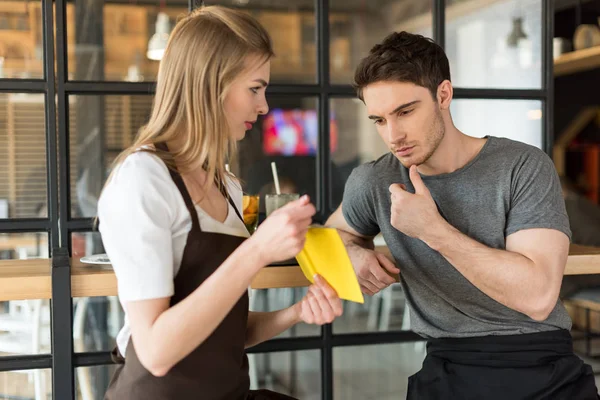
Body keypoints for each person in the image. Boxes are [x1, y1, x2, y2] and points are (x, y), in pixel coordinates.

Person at [325, 31, 600, 399]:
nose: (393, 135)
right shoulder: (377, 180)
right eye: (379, 120)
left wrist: (433, 231)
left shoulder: (522, 165)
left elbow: (537, 297)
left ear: (443, 95)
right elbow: (327, 235)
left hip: (540, 360)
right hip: (448, 365)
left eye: (405, 112)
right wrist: (352, 252)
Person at [97, 6, 342, 400]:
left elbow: (223, 330)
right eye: (255, 89)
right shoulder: (144, 180)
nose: (263, 107)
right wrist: (257, 251)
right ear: (211, 84)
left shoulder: (226, 184)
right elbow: (157, 351)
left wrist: (295, 312)